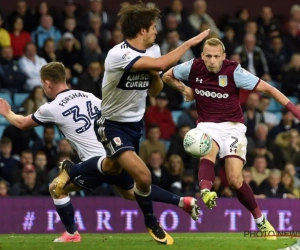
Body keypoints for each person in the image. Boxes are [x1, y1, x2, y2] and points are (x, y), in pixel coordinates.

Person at [54, 2, 209, 245]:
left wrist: (153, 76)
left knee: (115, 173)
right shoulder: (118, 54)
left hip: (135, 127)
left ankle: (72, 170)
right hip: (111, 125)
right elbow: (158, 65)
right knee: (143, 177)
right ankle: (151, 222)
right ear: (142, 30)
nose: (156, 31)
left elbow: (155, 90)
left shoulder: (155, 50)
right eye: (153, 27)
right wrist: (190, 43)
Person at [0, 62, 199, 243]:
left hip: (94, 163)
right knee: (131, 193)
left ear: (48, 83)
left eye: (44, 85)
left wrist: (7, 112)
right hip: (114, 152)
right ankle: (182, 200)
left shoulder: (51, 108)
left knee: (56, 188)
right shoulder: (89, 96)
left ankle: (71, 233)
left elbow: (22, 123)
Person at [162, 37, 300, 240]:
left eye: (216, 56)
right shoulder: (192, 67)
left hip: (233, 127)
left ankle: (260, 220)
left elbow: (269, 89)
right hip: (207, 124)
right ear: (202, 56)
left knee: (235, 180)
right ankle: (206, 191)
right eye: (208, 56)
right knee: (206, 151)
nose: (212, 60)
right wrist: (185, 89)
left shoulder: (234, 71)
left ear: (223, 57)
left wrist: (296, 113)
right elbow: (166, 75)